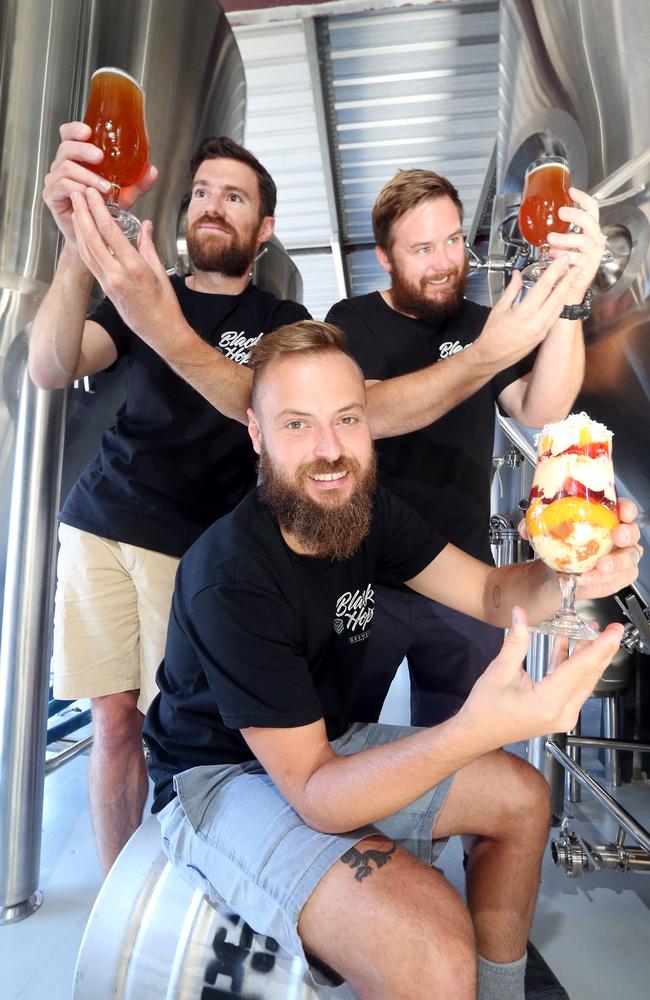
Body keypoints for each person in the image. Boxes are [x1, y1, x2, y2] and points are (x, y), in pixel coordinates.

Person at [143, 321, 641, 1000]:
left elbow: (495, 593)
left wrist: (578, 571)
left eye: (347, 419)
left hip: (321, 740)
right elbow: (318, 794)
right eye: (296, 425)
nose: (329, 451)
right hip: (221, 774)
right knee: (430, 940)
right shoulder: (231, 576)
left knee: (523, 800)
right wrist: (472, 729)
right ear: (256, 434)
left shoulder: (367, 510)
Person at [28, 123, 309, 872]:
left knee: (179, 729)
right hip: (100, 520)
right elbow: (52, 366)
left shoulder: (280, 323)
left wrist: (166, 324)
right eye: (203, 193)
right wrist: (74, 244)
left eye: (236, 196)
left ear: (264, 227)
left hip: (195, 550)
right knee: (113, 722)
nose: (214, 206)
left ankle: (187, 885)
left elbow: (268, 411)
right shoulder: (140, 294)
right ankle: (123, 889)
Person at [325, 168, 608, 726]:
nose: (444, 262)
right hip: (364, 578)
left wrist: (570, 304)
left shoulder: (482, 322)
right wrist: (481, 357)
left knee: (466, 747)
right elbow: (368, 414)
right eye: (423, 248)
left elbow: (541, 407)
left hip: (469, 581)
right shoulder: (351, 319)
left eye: (453, 240)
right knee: (338, 737)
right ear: (384, 256)